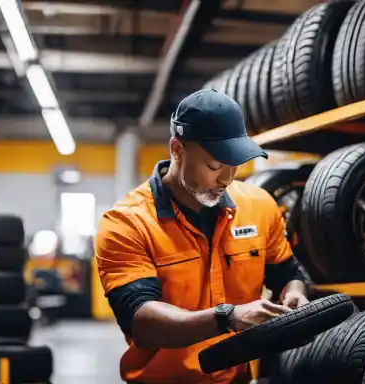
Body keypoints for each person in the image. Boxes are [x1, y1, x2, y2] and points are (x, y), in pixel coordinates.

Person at [95, 89, 310, 384]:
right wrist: (227, 317)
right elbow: (140, 321)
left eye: (235, 164)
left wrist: (293, 292)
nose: (226, 179)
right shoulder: (126, 223)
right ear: (177, 150)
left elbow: (287, 271)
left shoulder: (259, 206)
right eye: (214, 165)